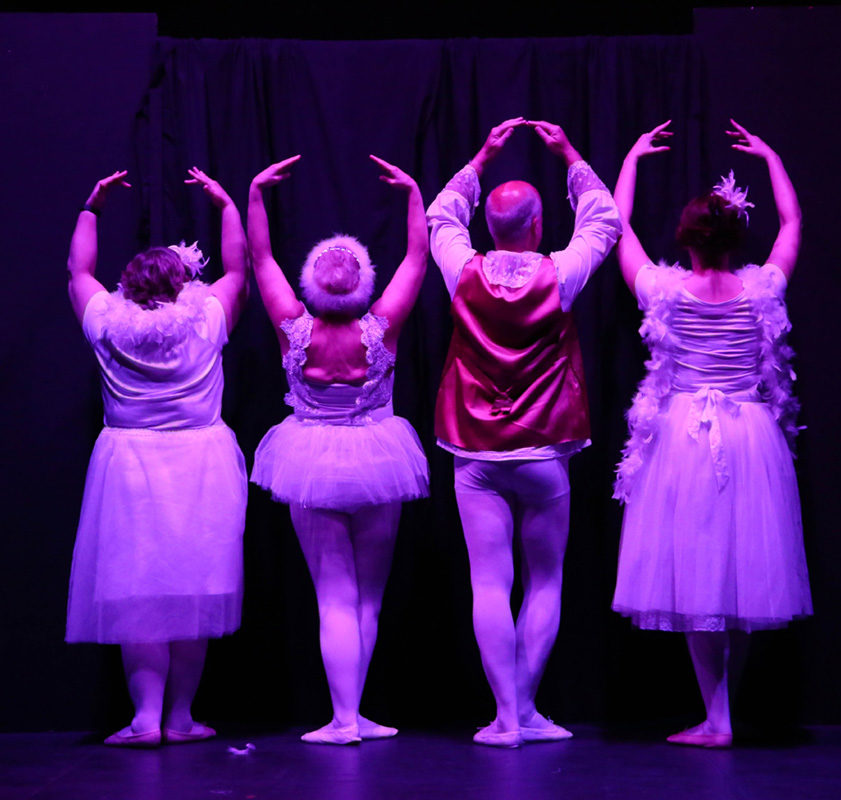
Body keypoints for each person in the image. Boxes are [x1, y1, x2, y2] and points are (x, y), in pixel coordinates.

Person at [611, 119, 812, 748]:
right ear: (733, 238)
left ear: (687, 240)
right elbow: (792, 226)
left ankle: (716, 716)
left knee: (702, 573)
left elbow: (618, 234)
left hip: (685, 437)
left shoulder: (665, 291)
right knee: (744, 571)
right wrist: (774, 156)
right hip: (749, 431)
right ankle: (722, 714)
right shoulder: (763, 289)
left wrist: (631, 163)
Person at [427, 118, 621, 747]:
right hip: (542, 450)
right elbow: (604, 218)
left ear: (490, 226)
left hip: (475, 448)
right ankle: (526, 709)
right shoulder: (560, 272)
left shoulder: (462, 268)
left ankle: (508, 718)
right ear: (538, 227)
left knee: (489, 581)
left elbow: (440, 216)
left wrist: (481, 156)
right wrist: (568, 152)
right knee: (545, 580)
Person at [247, 154, 430, 745]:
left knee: (334, 595)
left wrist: (254, 195)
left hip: (312, 458)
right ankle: (354, 714)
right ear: (364, 285)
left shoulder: (291, 327)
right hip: (377, 456)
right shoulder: (382, 327)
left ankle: (346, 718)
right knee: (367, 597)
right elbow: (417, 258)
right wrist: (411, 194)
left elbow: (261, 259)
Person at [64, 168, 249, 748]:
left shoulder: (106, 325)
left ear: (127, 287)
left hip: (131, 465)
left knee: (138, 590)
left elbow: (79, 272)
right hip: (200, 463)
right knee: (192, 589)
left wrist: (91, 206)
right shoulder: (209, 319)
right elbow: (240, 271)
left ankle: (147, 719)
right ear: (182, 284)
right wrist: (224, 206)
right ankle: (180, 717)